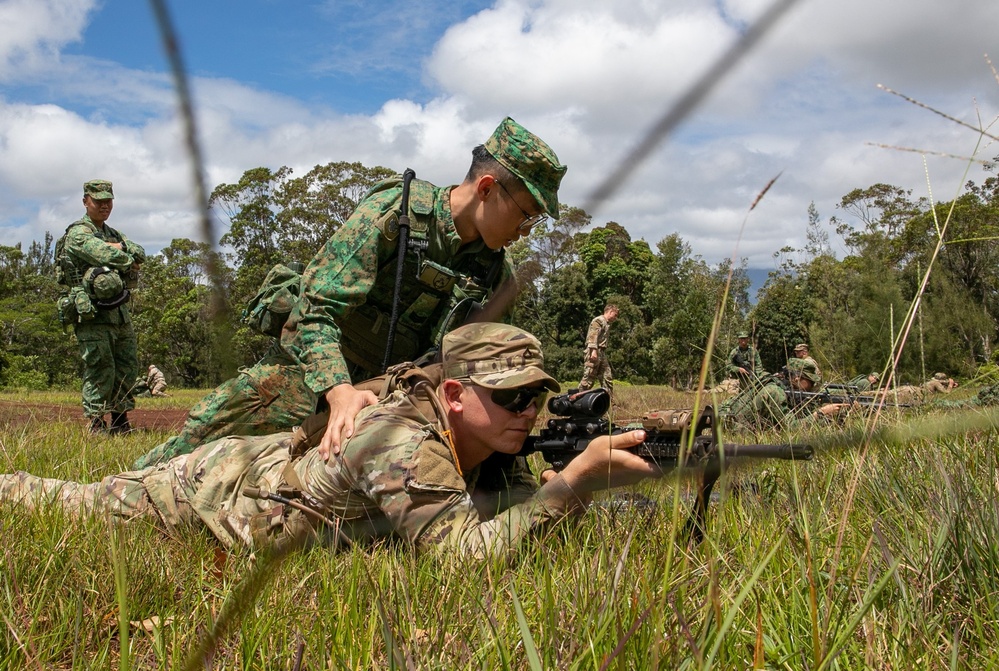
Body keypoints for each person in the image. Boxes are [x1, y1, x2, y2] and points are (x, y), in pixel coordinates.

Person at [0, 323, 659, 560]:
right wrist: (571, 489)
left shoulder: (494, 443)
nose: (528, 409)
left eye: (536, 395)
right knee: (61, 501)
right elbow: (459, 554)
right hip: (212, 494)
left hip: (268, 486)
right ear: (454, 395)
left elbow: (501, 514)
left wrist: (559, 489)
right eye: (511, 396)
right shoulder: (400, 434)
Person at [132, 117, 567, 469]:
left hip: (399, 396)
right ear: (487, 189)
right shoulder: (396, 216)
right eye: (526, 216)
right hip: (314, 373)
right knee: (196, 443)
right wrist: (338, 390)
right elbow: (315, 308)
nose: (524, 233)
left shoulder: (495, 274)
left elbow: (492, 369)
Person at [58, 180, 145, 434]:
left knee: (126, 365)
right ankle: (96, 423)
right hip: (92, 312)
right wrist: (124, 255)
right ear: (86, 201)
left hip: (119, 311)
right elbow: (108, 256)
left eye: (109, 200)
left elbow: (140, 254)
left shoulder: (114, 234)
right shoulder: (78, 233)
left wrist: (122, 248)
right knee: (99, 366)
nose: (105, 206)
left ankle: (120, 421)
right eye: (99, 201)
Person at [720, 358, 846, 430]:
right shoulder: (775, 392)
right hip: (732, 429)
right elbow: (791, 427)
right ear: (797, 378)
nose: (812, 386)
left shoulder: (786, 388)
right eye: (810, 382)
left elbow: (802, 413)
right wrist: (821, 413)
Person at [578, 304, 619, 393]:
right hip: (594, 351)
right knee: (589, 378)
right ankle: (577, 399)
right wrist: (593, 351)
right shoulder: (598, 321)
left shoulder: (607, 323)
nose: (616, 318)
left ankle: (609, 402)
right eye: (615, 315)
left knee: (607, 377)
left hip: (601, 352)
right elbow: (593, 336)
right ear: (610, 312)